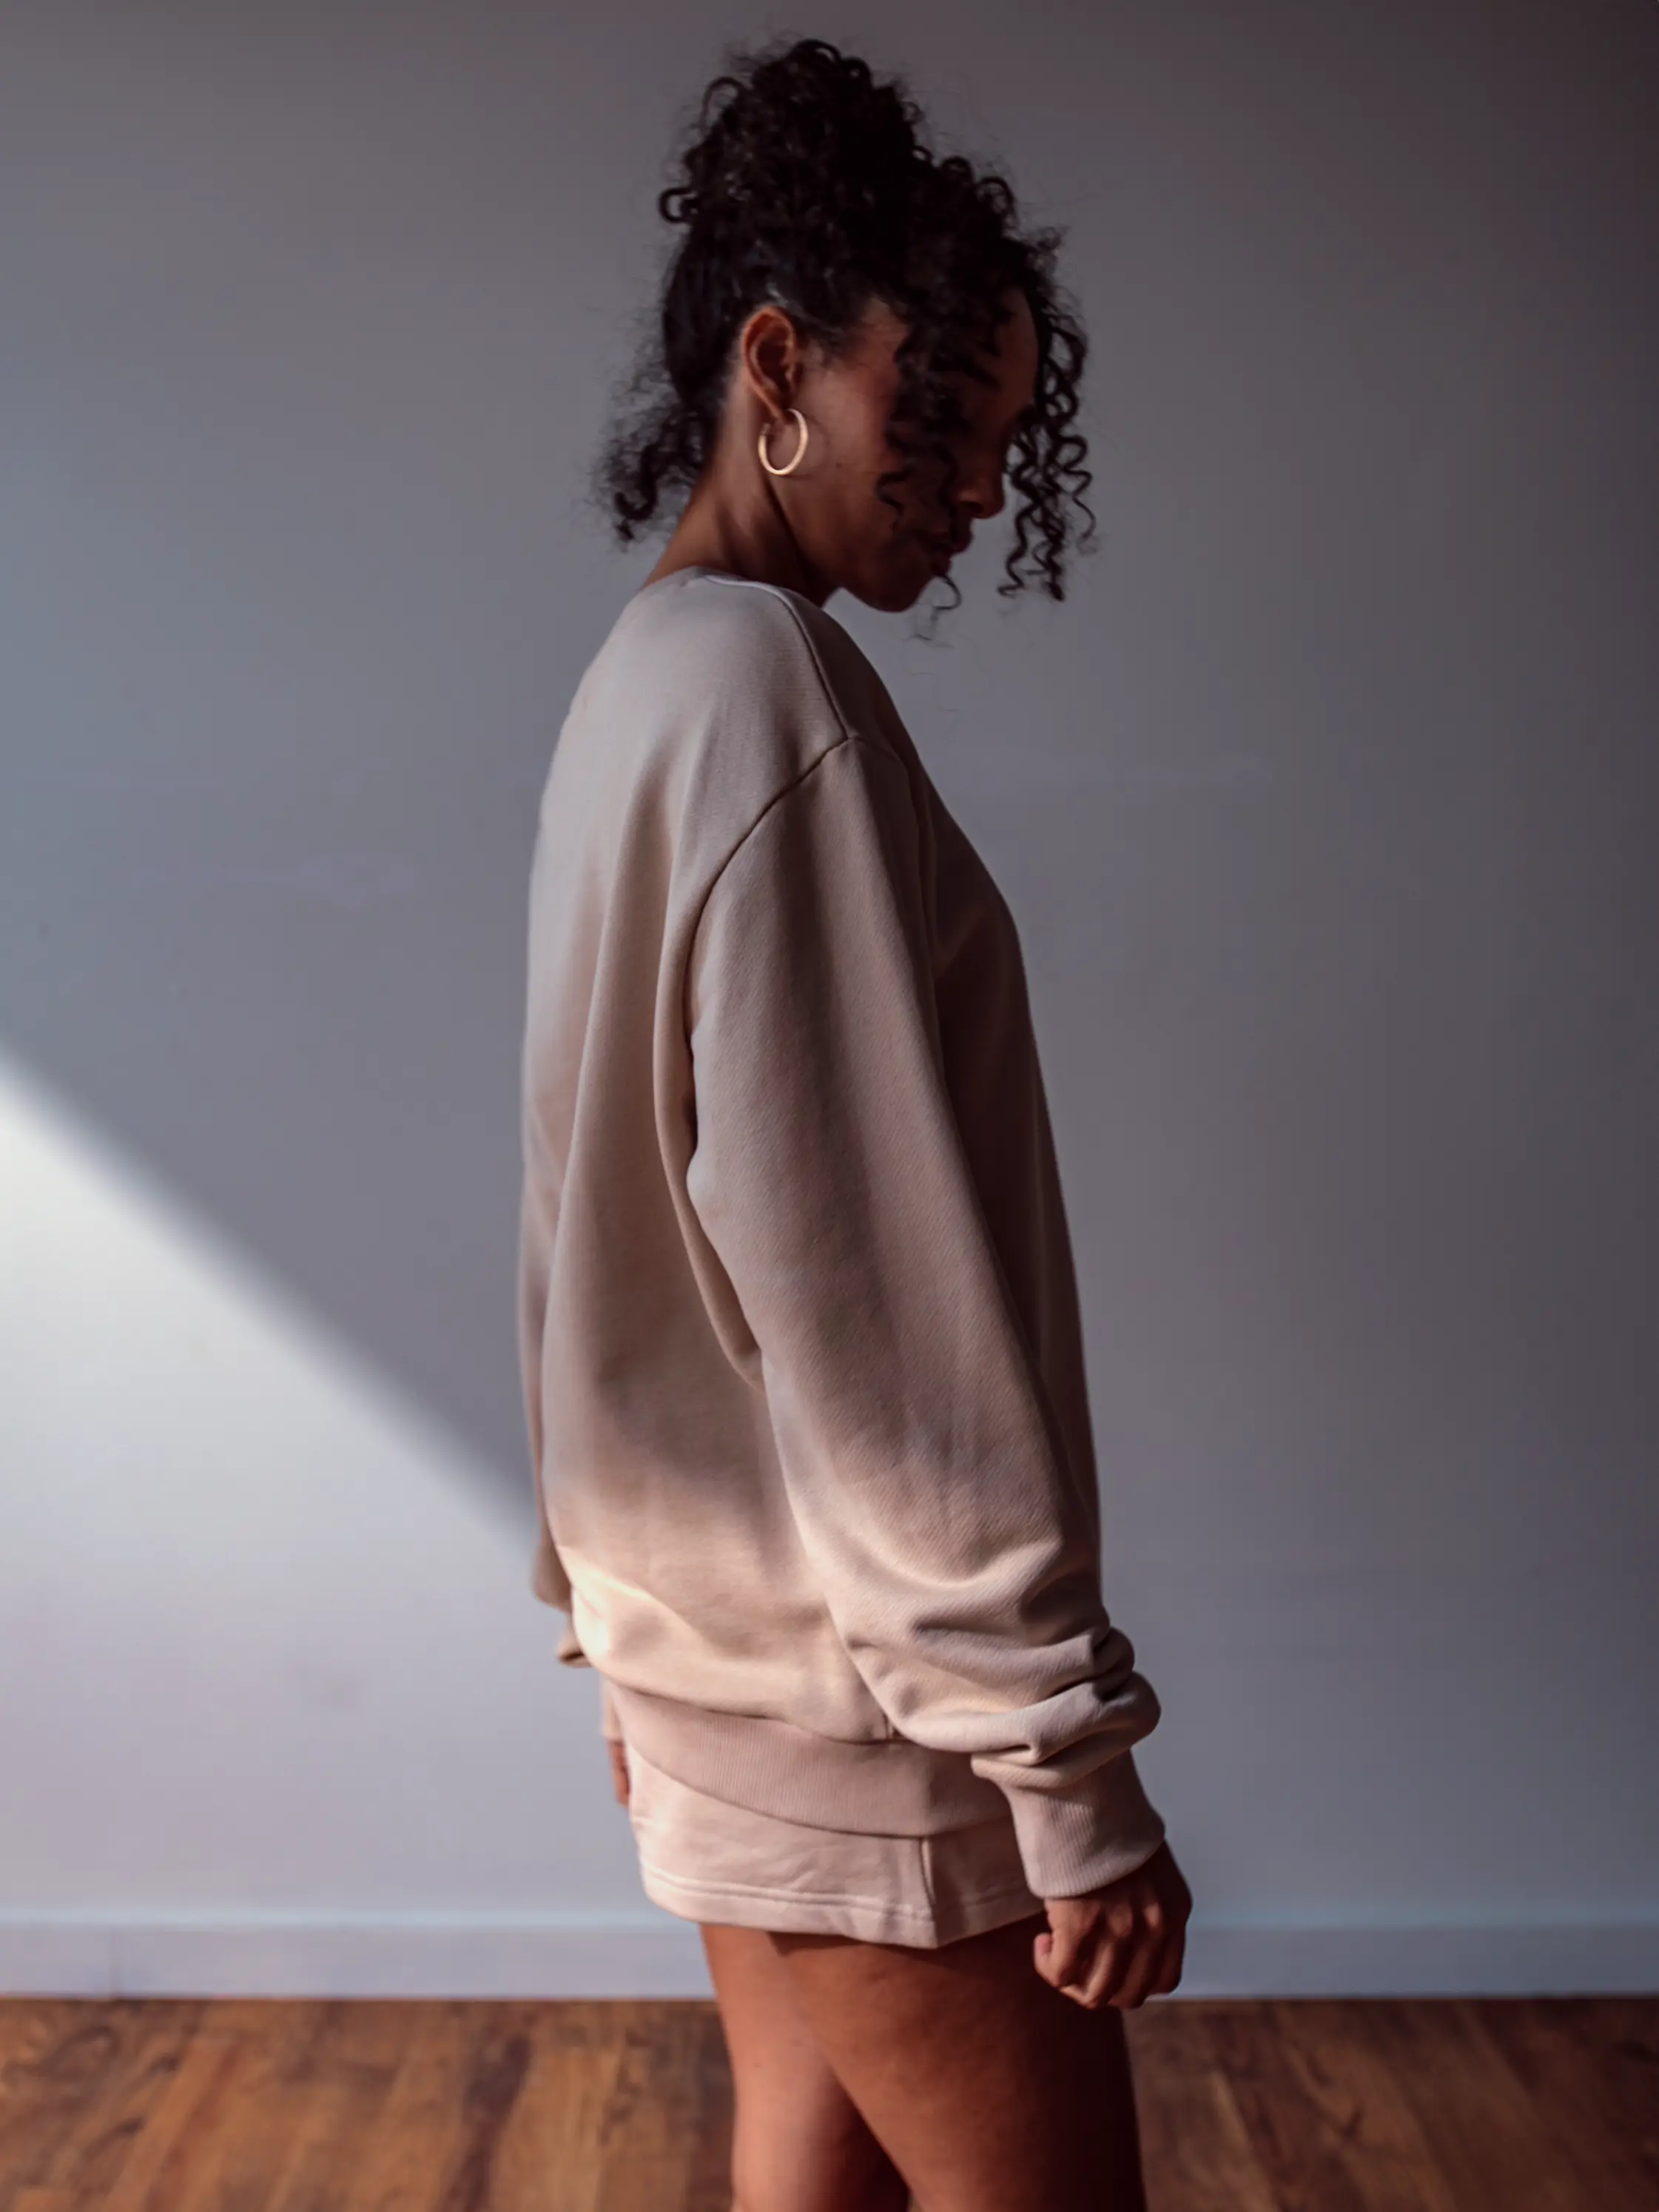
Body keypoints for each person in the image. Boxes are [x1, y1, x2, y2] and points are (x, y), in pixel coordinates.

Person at [517, 35, 1193, 2212]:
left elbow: (583, 1216)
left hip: (719, 1659)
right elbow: (861, 1307)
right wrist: (1067, 1769)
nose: (982, 496)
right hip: (860, 1706)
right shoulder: (769, 704)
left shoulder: (640, 685)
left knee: (806, 2172)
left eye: (1006, 454)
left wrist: (602, 1607)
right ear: (780, 362)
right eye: (945, 427)